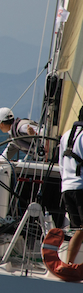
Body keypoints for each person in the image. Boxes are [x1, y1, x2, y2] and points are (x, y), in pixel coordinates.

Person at [58, 106, 83, 264]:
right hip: (81, 188)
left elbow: (61, 164)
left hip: (67, 187)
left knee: (79, 229)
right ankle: (69, 264)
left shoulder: (66, 135)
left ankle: (69, 263)